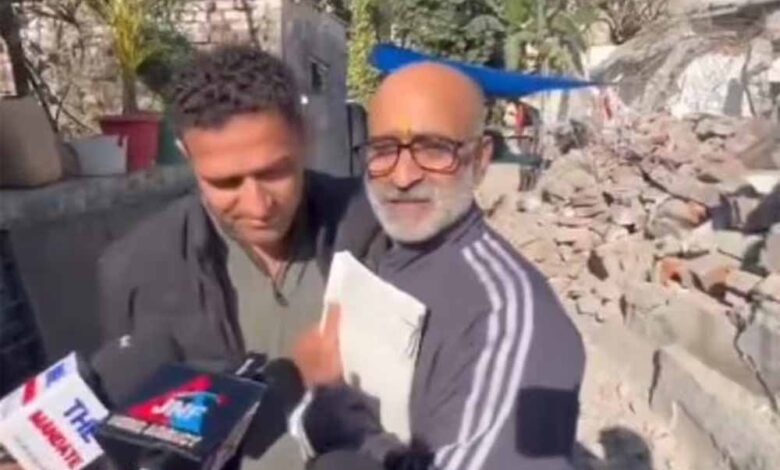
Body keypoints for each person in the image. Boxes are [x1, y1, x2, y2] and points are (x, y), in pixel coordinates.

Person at [96, 45, 378, 470]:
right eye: (225, 183)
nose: (258, 205)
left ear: (305, 137)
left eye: (274, 172)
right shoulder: (137, 270)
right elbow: (139, 439)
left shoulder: (371, 226)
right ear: (187, 155)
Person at [292, 62, 585, 470]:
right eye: (384, 150)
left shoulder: (509, 317)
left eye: (434, 150)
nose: (403, 176)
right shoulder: (380, 257)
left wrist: (348, 426)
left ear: (480, 159)